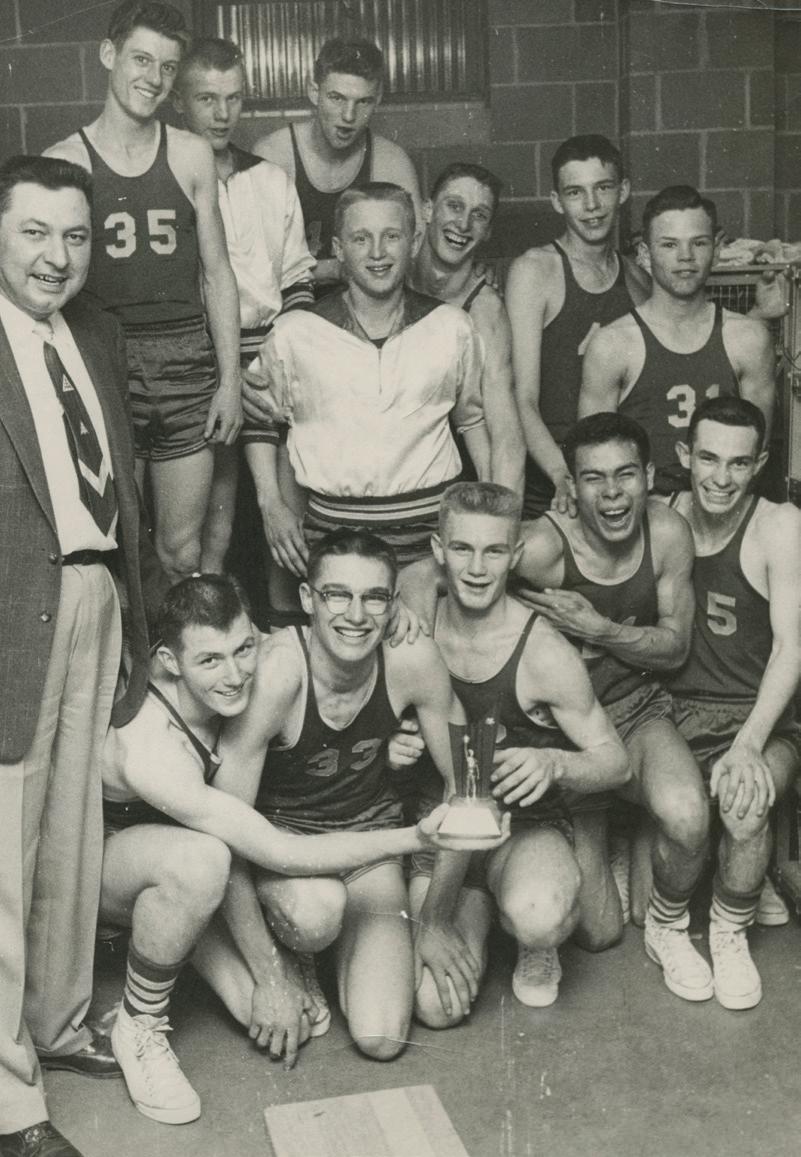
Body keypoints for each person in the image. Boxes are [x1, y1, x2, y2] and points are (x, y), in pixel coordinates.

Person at [100, 574, 475, 1123]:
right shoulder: (153, 749)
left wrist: (388, 614)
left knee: (298, 1020)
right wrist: (413, 839)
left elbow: (327, 633)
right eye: (210, 661)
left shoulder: (257, 659)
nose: (234, 675)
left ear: (255, 633)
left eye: (242, 649)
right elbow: (277, 850)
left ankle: (230, 944)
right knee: (203, 861)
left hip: (198, 875)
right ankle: (139, 1024)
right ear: (169, 662)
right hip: (118, 872)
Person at [0, 155, 168, 1157]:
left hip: (95, 591)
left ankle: (55, 1023)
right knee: (1, 853)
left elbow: (124, 488)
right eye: (33, 232)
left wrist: (138, 615)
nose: (55, 256)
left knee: (71, 833)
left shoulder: (93, 333)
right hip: (9, 615)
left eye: (73, 235)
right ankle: (8, 1100)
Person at [200, 529, 506, 1063]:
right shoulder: (278, 674)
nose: (356, 615)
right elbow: (224, 833)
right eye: (337, 595)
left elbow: (468, 783)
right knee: (316, 913)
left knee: (384, 1037)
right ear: (306, 599)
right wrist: (269, 975)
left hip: (370, 847)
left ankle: (433, 919)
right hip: (288, 857)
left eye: (374, 598)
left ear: (393, 604)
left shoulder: (412, 659)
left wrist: (435, 918)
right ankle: (277, 949)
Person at [391, 483, 628, 1022]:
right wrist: (392, 740)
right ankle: (480, 910)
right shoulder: (413, 622)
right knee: (435, 1008)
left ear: (515, 555)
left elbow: (617, 761)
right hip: (437, 828)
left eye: (494, 551)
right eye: (462, 549)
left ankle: (529, 933)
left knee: (539, 914)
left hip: (519, 829)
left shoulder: (543, 652)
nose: (477, 569)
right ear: (438, 550)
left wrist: (554, 762)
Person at [44, 0, 243, 584]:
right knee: (120, 547)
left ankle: (183, 645)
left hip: (186, 364)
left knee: (182, 552)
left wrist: (230, 381)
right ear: (109, 55)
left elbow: (218, 274)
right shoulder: (65, 161)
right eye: (141, 59)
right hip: (107, 362)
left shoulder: (191, 153)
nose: (153, 78)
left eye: (167, 66)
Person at [242, 182, 489, 573]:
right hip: (334, 537)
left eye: (391, 236)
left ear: (414, 242)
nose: (377, 253)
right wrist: (271, 504)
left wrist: (488, 514)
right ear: (339, 249)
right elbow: (260, 420)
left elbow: (472, 420)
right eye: (361, 238)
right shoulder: (296, 331)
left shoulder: (452, 326)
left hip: (432, 539)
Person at [664, 396, 801, 1008]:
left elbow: (792, 647)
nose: (721, 478)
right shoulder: (660, 515)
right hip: (671, 715)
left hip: (754, 716)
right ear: (684, 455)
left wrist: (748, 743)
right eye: (709, 459)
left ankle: (727, 929)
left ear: (760, 464)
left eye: (739, 463)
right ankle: (669, 923)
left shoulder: (780, 525)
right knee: (680, 822)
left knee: (745, 805)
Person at [172, 35, 315, 613]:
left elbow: (299, 279)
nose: (222, 113)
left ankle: (279, 627)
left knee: (280, 511)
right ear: (179, 101)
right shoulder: (166, 181)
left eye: (233, 98)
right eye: (207, 99)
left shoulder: (271, 180)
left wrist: (271, 363)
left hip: (270, 358)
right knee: (211, 524)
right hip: (200, 359)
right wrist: (228, 370)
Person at [580, 185, 776, 494]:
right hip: (643, 511)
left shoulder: (748, 339)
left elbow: (754, 456)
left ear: (716, 249)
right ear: (645, 255)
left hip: (721, 502)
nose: (685, 257)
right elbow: (593, 460)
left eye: (698, 243)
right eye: (670, 245)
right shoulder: (612, 344)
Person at [505, 135, 650, 518]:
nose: (591, 205)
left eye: (603, 188)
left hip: (616, 484)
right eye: (575, 192)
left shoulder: (638, 280)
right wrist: (563, 475)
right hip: (553, 483)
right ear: (557, 201)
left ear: (623, 191)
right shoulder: (535, 271)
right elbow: (523, 398)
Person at [253, 37, 422, 290]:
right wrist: (335, 269)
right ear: (314, 91)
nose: (348, 116)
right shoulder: (274, 155)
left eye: (363, 101)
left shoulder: (392, 163)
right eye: (337, 98)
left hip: (366, 305)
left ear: (377, 99)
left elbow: (412, 257)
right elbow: (257, 265)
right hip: (289, 303)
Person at [411, 162, 525, 496]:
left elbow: (506, 434)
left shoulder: (486, 310)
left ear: (488, 230)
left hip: (451, 474)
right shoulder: (390, 273)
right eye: (454, 206)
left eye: (479, 215)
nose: (463, 224)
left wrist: (502, 514)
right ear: (427, 210)